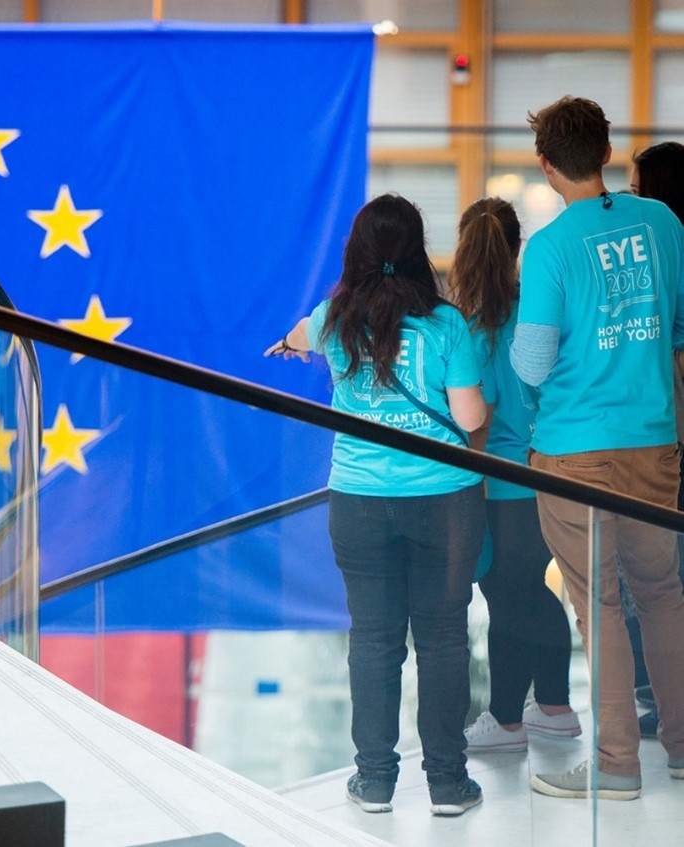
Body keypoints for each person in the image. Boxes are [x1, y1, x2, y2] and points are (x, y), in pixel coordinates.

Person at [265, 193, 487, 816]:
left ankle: (375, 781)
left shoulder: (332, 320)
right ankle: (446, 783)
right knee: (442, 637)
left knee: (373, 640)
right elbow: (469, 418)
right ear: (417, 251)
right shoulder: (447, 324)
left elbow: (298, 334)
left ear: (355, 252)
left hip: (359, 502)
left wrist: (289, 342)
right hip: (443, 501)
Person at [510, 95, 684, 800]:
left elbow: (528, 363)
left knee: (599, 604)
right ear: (607, 154)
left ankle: (614, 763)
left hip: (574, 449)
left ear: (547, 166)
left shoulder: (549, 247)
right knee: (662, 594)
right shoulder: (664, 223)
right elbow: (673, 328)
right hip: (653, 440)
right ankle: (679, 747)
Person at [448, 197, 581, 754]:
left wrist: (466, 490)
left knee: (508, 595)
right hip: (551, 474)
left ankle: (512, 718)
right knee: (527, 592)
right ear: (517, 247)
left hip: (504, 489)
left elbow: (477, 427)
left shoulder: (478, 332)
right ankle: (549, 706)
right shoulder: (538, 316)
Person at [624, 140, 684, 738]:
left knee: (654, 571)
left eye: (639, 190)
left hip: (663, 436)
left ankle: (664, 701)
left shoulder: (663, 252)